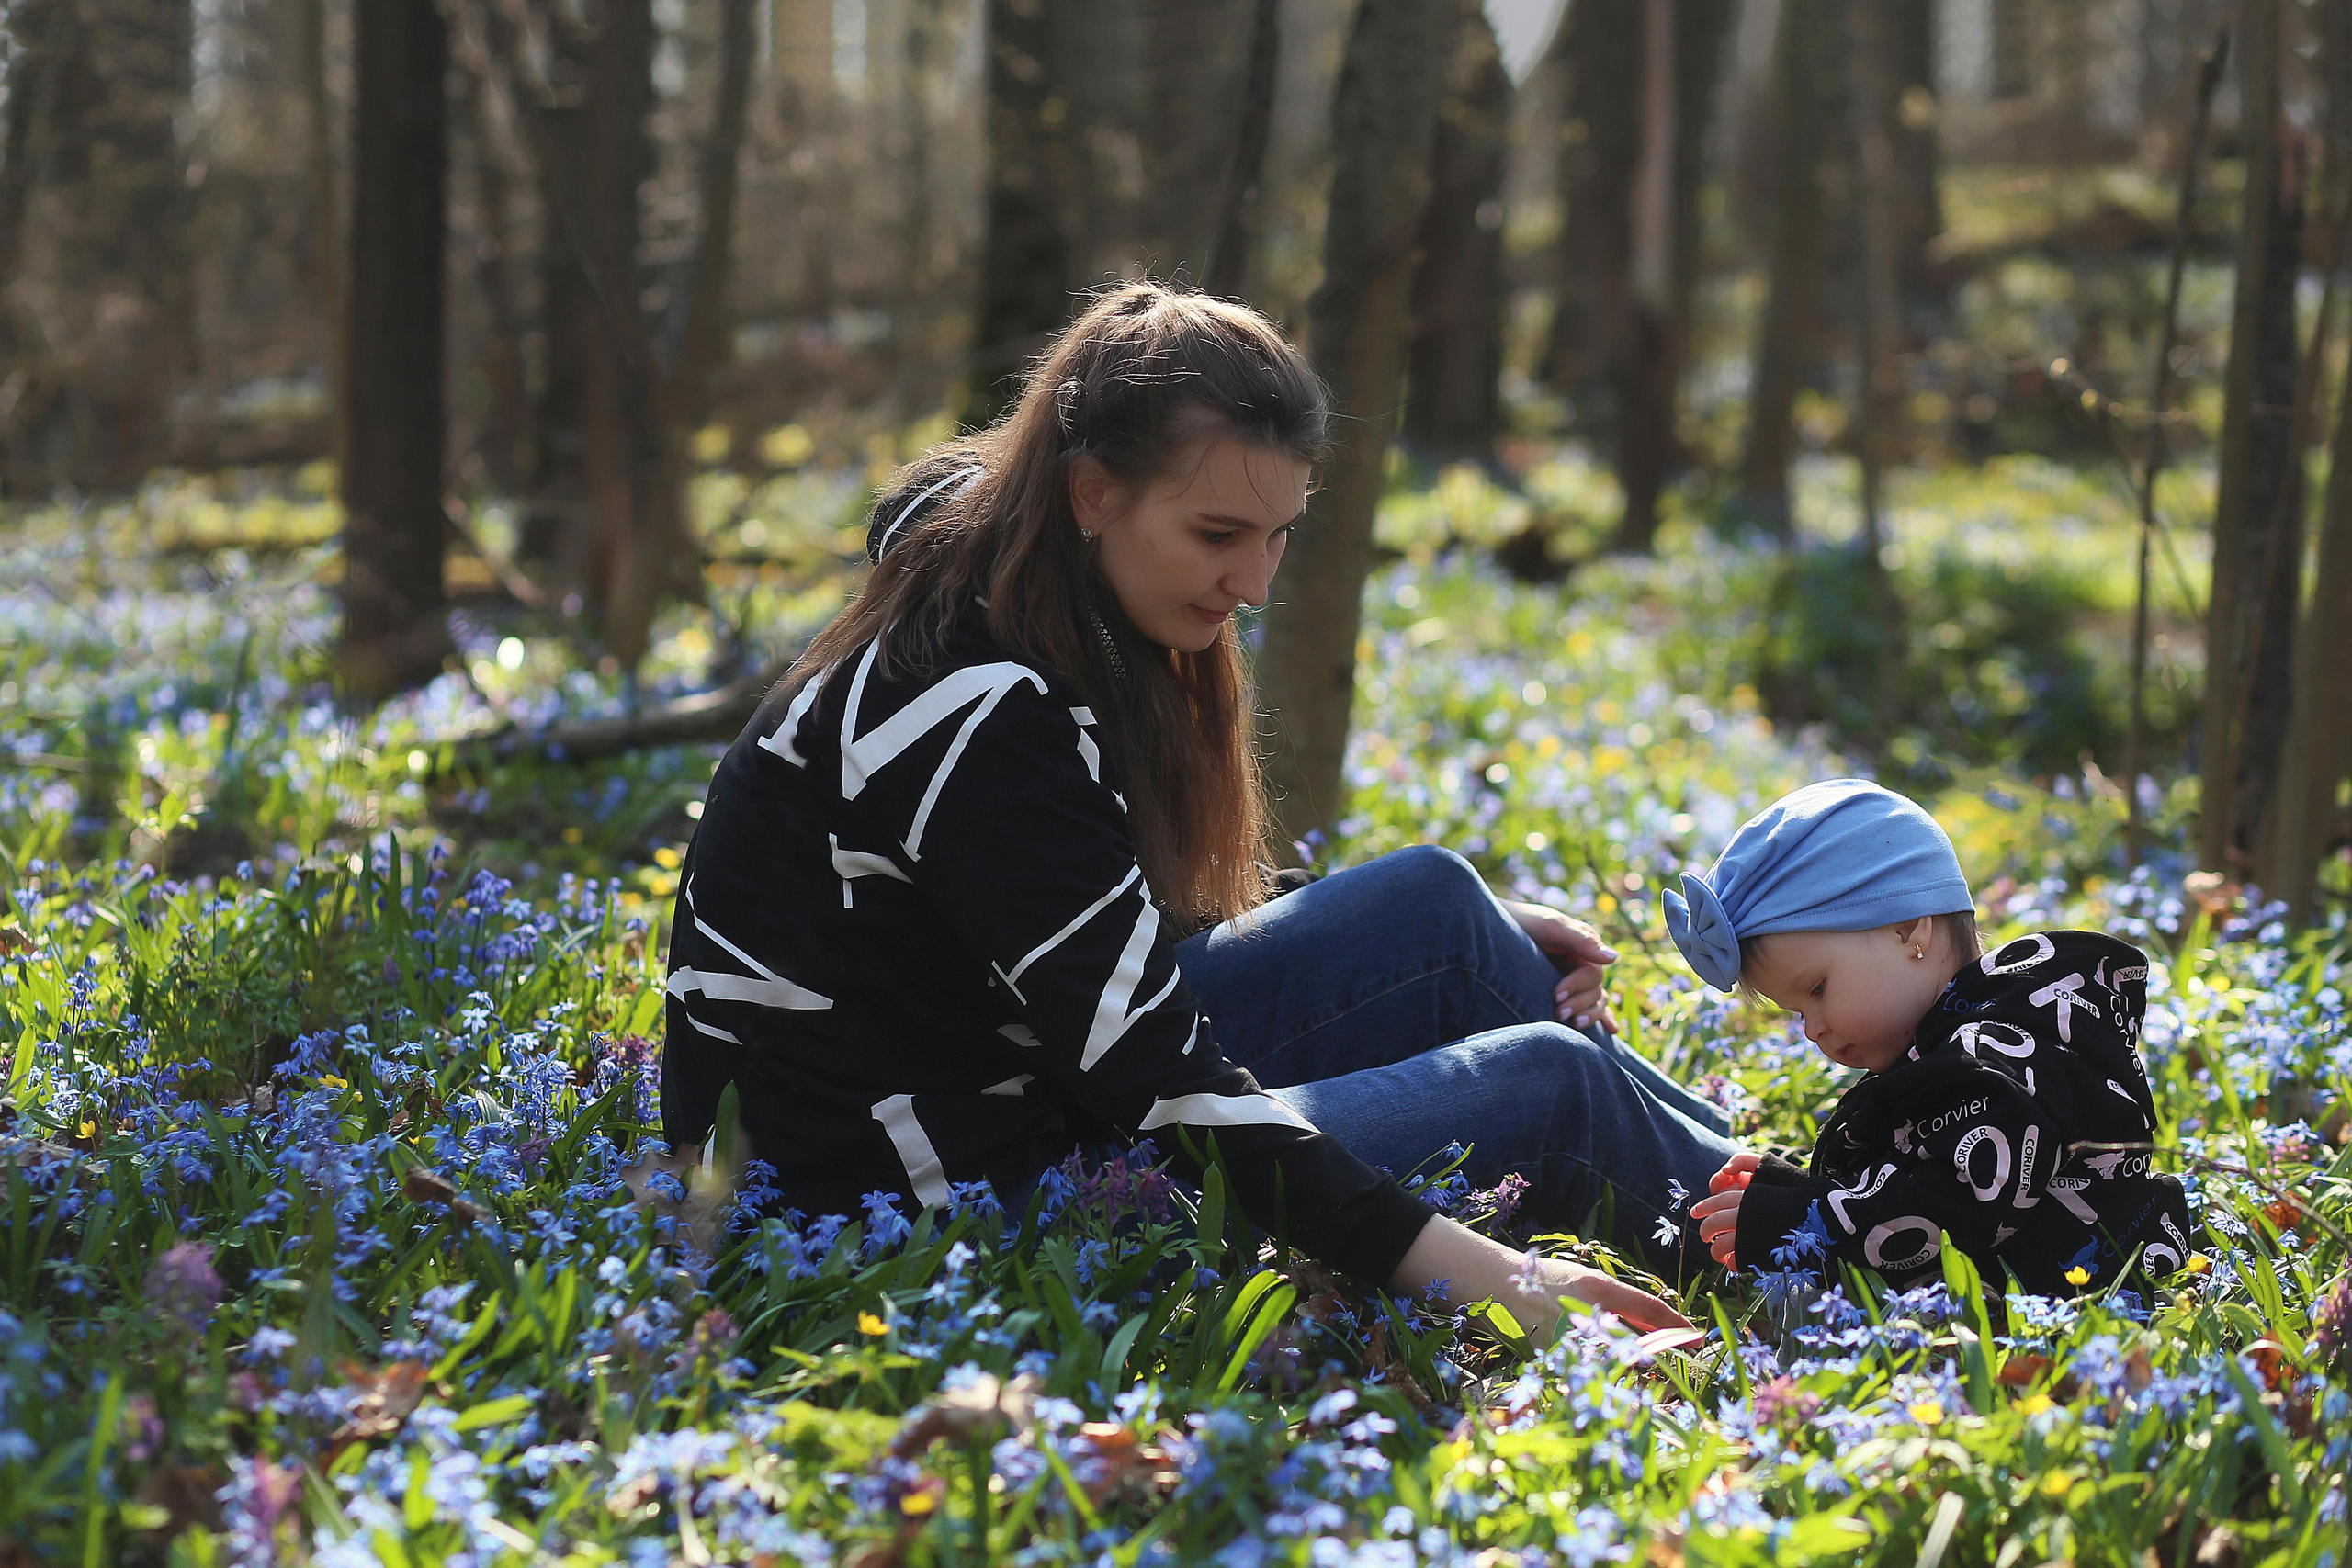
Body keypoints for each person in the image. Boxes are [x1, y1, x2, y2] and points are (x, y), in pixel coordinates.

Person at [660, 280, 1736, 1341]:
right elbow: (1161, 1087)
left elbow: (1057, 918)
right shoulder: (971, 710)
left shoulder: (1004, 591)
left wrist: (1482, 940)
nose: (1255, 584)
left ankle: (1799, 1196)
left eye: (1277, 536)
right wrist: (1500, 1280)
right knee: (1552, 1090)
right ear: (1091, 493)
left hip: (1003, 1086)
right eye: (1219, 533)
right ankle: (1819, 1266)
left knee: (1439, 912)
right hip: (913, 1214)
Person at [1670, 779, 2196, 1298]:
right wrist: (1798, 1189)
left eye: (1818, 989)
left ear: (1908, 930)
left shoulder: (1994, 1064)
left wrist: (1800, 1220)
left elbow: (1951, 1214)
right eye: (1796, 1012)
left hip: (2056, 1320)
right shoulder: (1960, 1045)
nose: (1813, 1029)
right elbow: (1915, 1178)